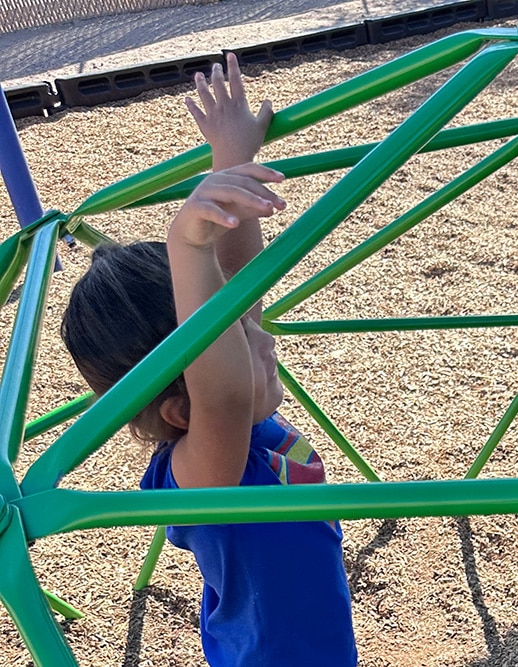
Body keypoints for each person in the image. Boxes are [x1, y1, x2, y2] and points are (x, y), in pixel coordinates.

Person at [61, 54, 358, 666]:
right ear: (180, 409)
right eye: (242, 336)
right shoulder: (204, 469)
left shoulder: (235, 423)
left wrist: (232, 162)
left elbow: (239, 288)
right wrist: (183, 242)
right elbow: (220, 393)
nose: (265, 336)